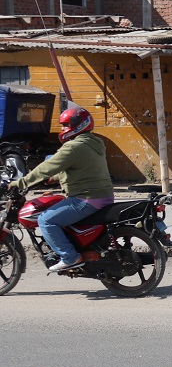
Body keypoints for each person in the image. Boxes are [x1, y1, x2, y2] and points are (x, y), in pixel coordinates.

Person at [11, 104, 114, 271]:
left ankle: (70, 257)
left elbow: (46, 167)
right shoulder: (94, 142)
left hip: (86, 199)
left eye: (66, 125)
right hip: (103, 196)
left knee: (45, 220)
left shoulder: (73, 147)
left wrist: (20, 183)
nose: (63, 128)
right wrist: (57, 178)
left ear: (78, 125)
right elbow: (82, 168)